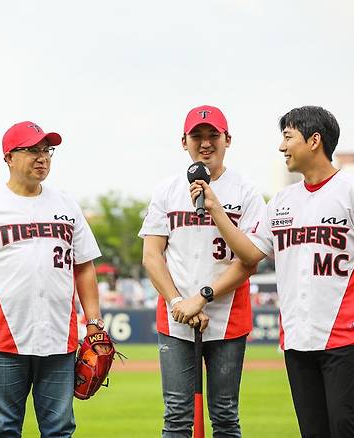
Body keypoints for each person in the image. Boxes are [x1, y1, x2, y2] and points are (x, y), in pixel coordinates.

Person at [186, 106, 354, 438]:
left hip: (346, 334)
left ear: (314, 141)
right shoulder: (282, 201)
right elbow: (249, 254)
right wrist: (215, 209)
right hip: (298, 338)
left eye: (287, 137)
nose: (281, 146)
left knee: (348, 430)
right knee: (313, 432)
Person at [0, 121, 105, 438]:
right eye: (32, 150)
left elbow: (84, 266)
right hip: (3, 341)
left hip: (59, 340)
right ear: (8, 157)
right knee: (5, 430)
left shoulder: (66, 204)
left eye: (47, 150)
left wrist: (94, 322)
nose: (42, 157)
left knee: (60, 430)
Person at [139, 105, 266, 437]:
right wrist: (180, 301)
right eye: (197, 136)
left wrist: (203, 298)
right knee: (177, 418)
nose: (206, 143)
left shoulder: (246, 192)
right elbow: (152, 256)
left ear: (228, 140)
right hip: (176, 316)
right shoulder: (167, 190)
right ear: (184, 142)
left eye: (214, 135)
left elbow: (249, 260)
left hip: (228, 318)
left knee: (224, 417)